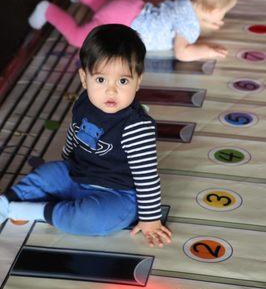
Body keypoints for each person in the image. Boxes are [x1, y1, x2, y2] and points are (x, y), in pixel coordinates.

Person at [0, 24, 171, 248]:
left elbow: (147, 177)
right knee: (45, 174)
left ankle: (36, 211)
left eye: (123, 81)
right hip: (77, 173)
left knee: (94, 220)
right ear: (84, 78)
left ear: (138, 81)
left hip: (116, 193)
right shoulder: (83, 101)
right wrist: (67, 158)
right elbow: (76, 130)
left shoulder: (136, 127)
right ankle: (6, 201)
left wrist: (150, 220)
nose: (111, 91)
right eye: (101, 80)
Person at [28, 0, 240, 61]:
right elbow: (182, 53)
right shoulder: (190, 27)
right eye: (223, 13)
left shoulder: (186, 3)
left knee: (105, 6)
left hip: (132, 6)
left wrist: (205, 21)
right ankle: (47, 10)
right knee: (77, 38)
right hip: (123, 23)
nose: (223, 17)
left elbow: (184, 18)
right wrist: (206, 50)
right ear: (211, 10)